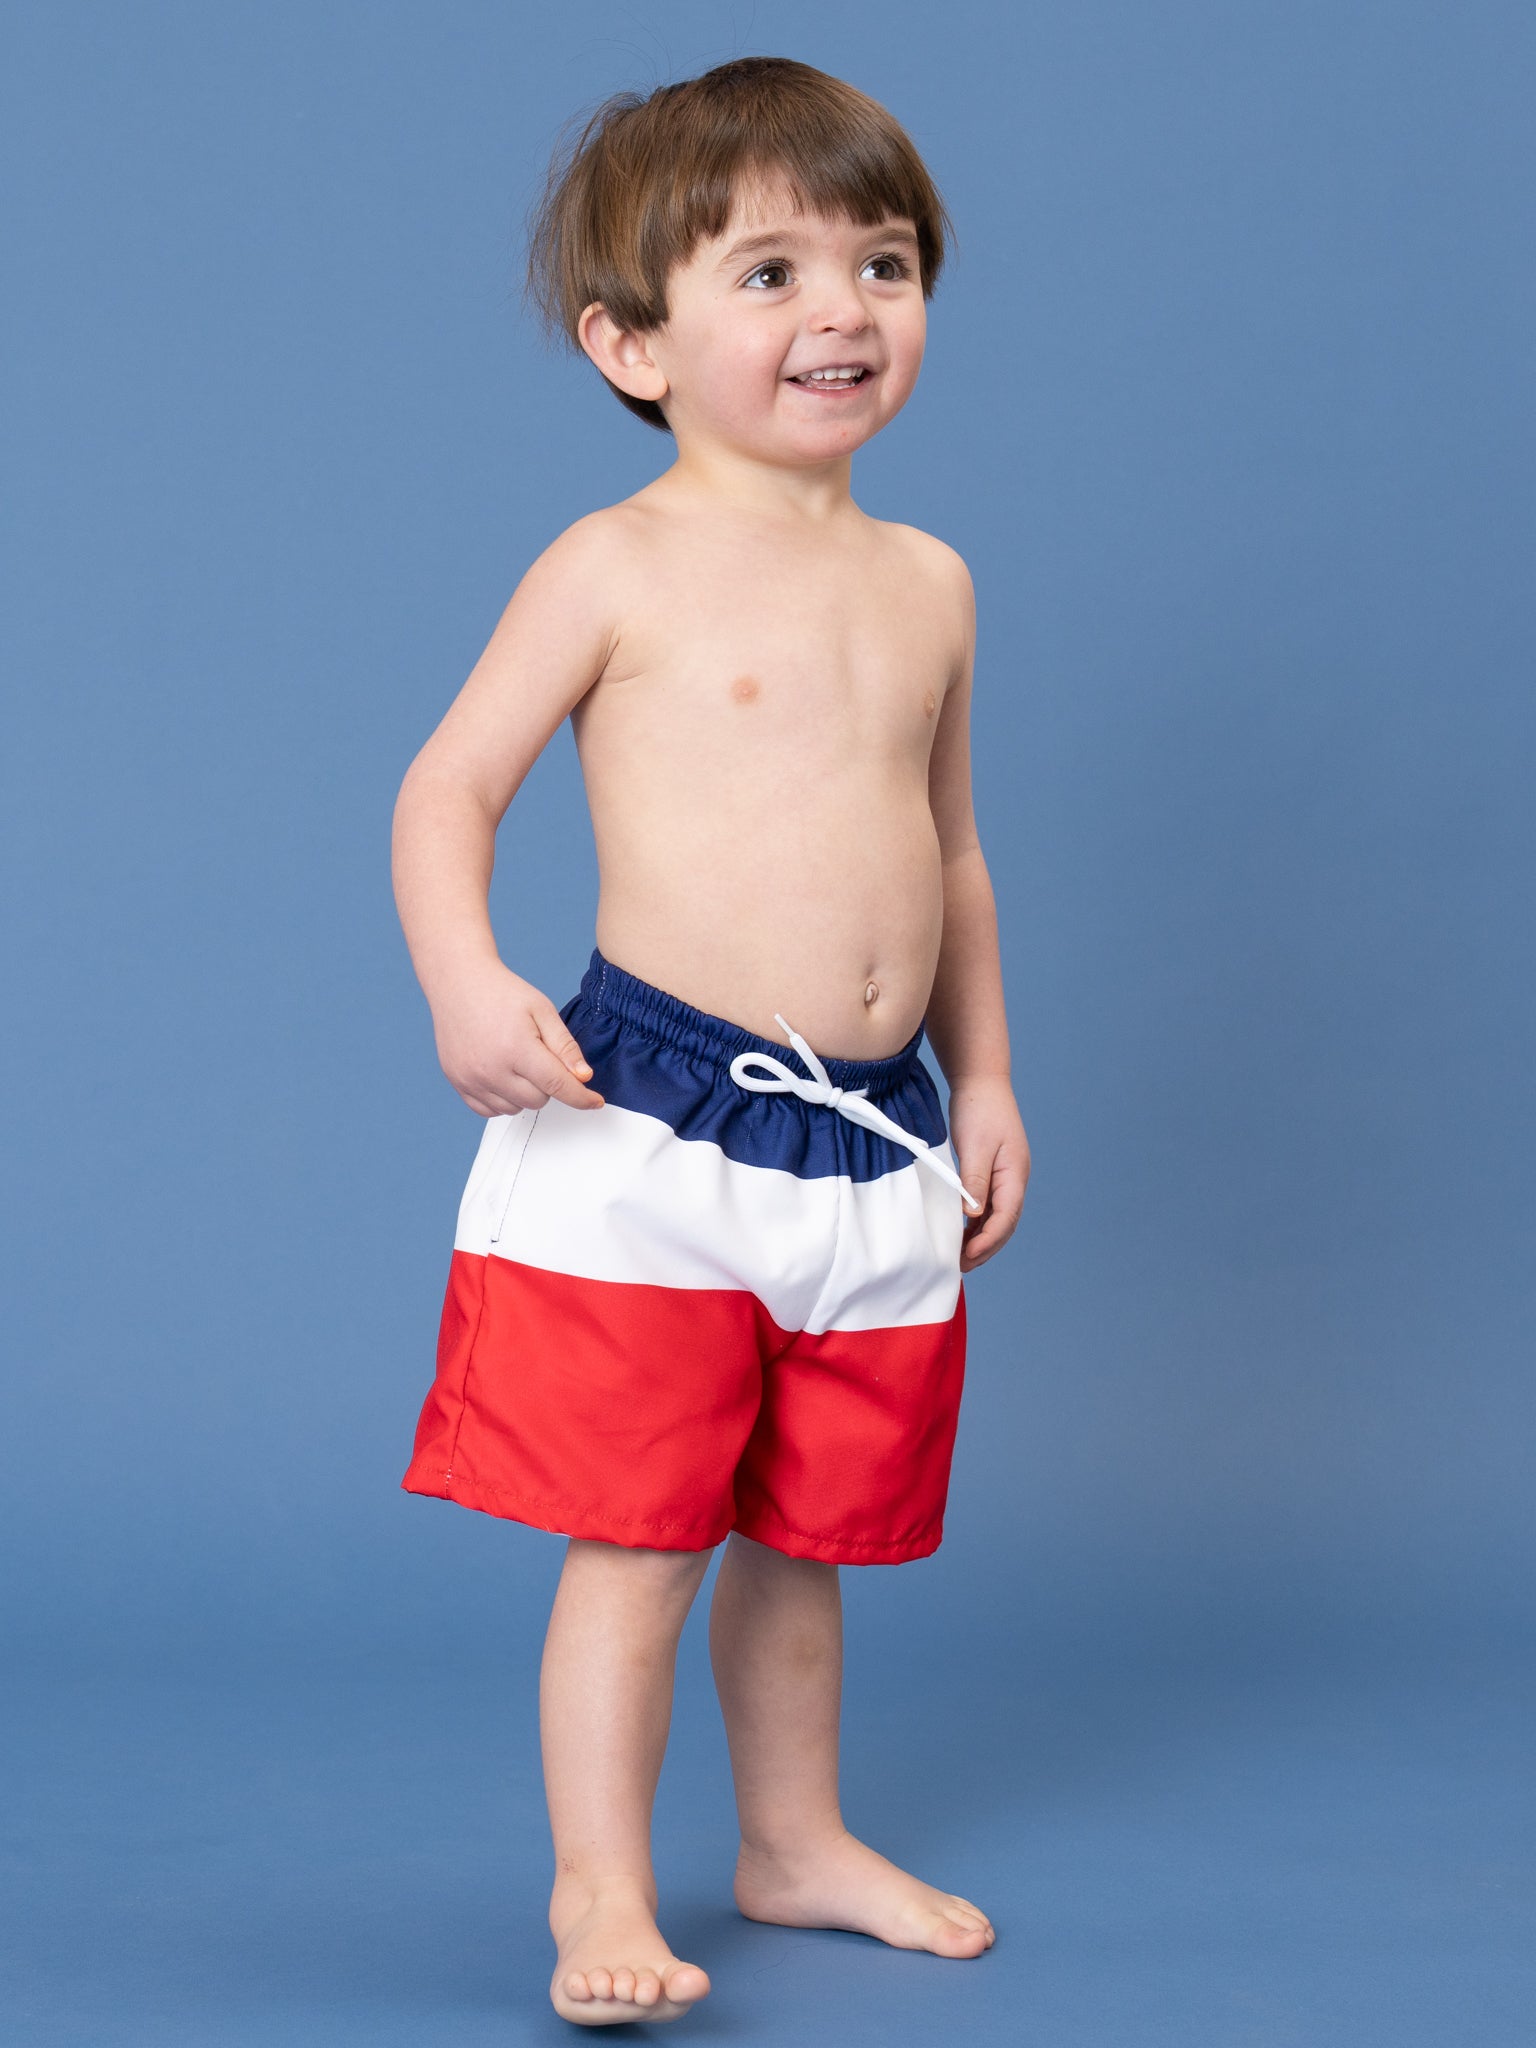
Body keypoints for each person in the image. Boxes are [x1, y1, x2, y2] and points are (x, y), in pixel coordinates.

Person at [392, 54, 1030, 2029]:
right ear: (632, 344)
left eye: (883, 262)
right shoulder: (616, 563)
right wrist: (466, 978)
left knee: (804, 1528)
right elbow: (446, 787)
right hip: (655, 1118)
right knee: (641, 1533)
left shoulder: (929, 583)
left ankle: (794, 1838)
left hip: (874, 1134)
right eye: (771, 273)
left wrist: (988, 1078)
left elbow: (952, 854)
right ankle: (599, 1880)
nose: (843, 309)